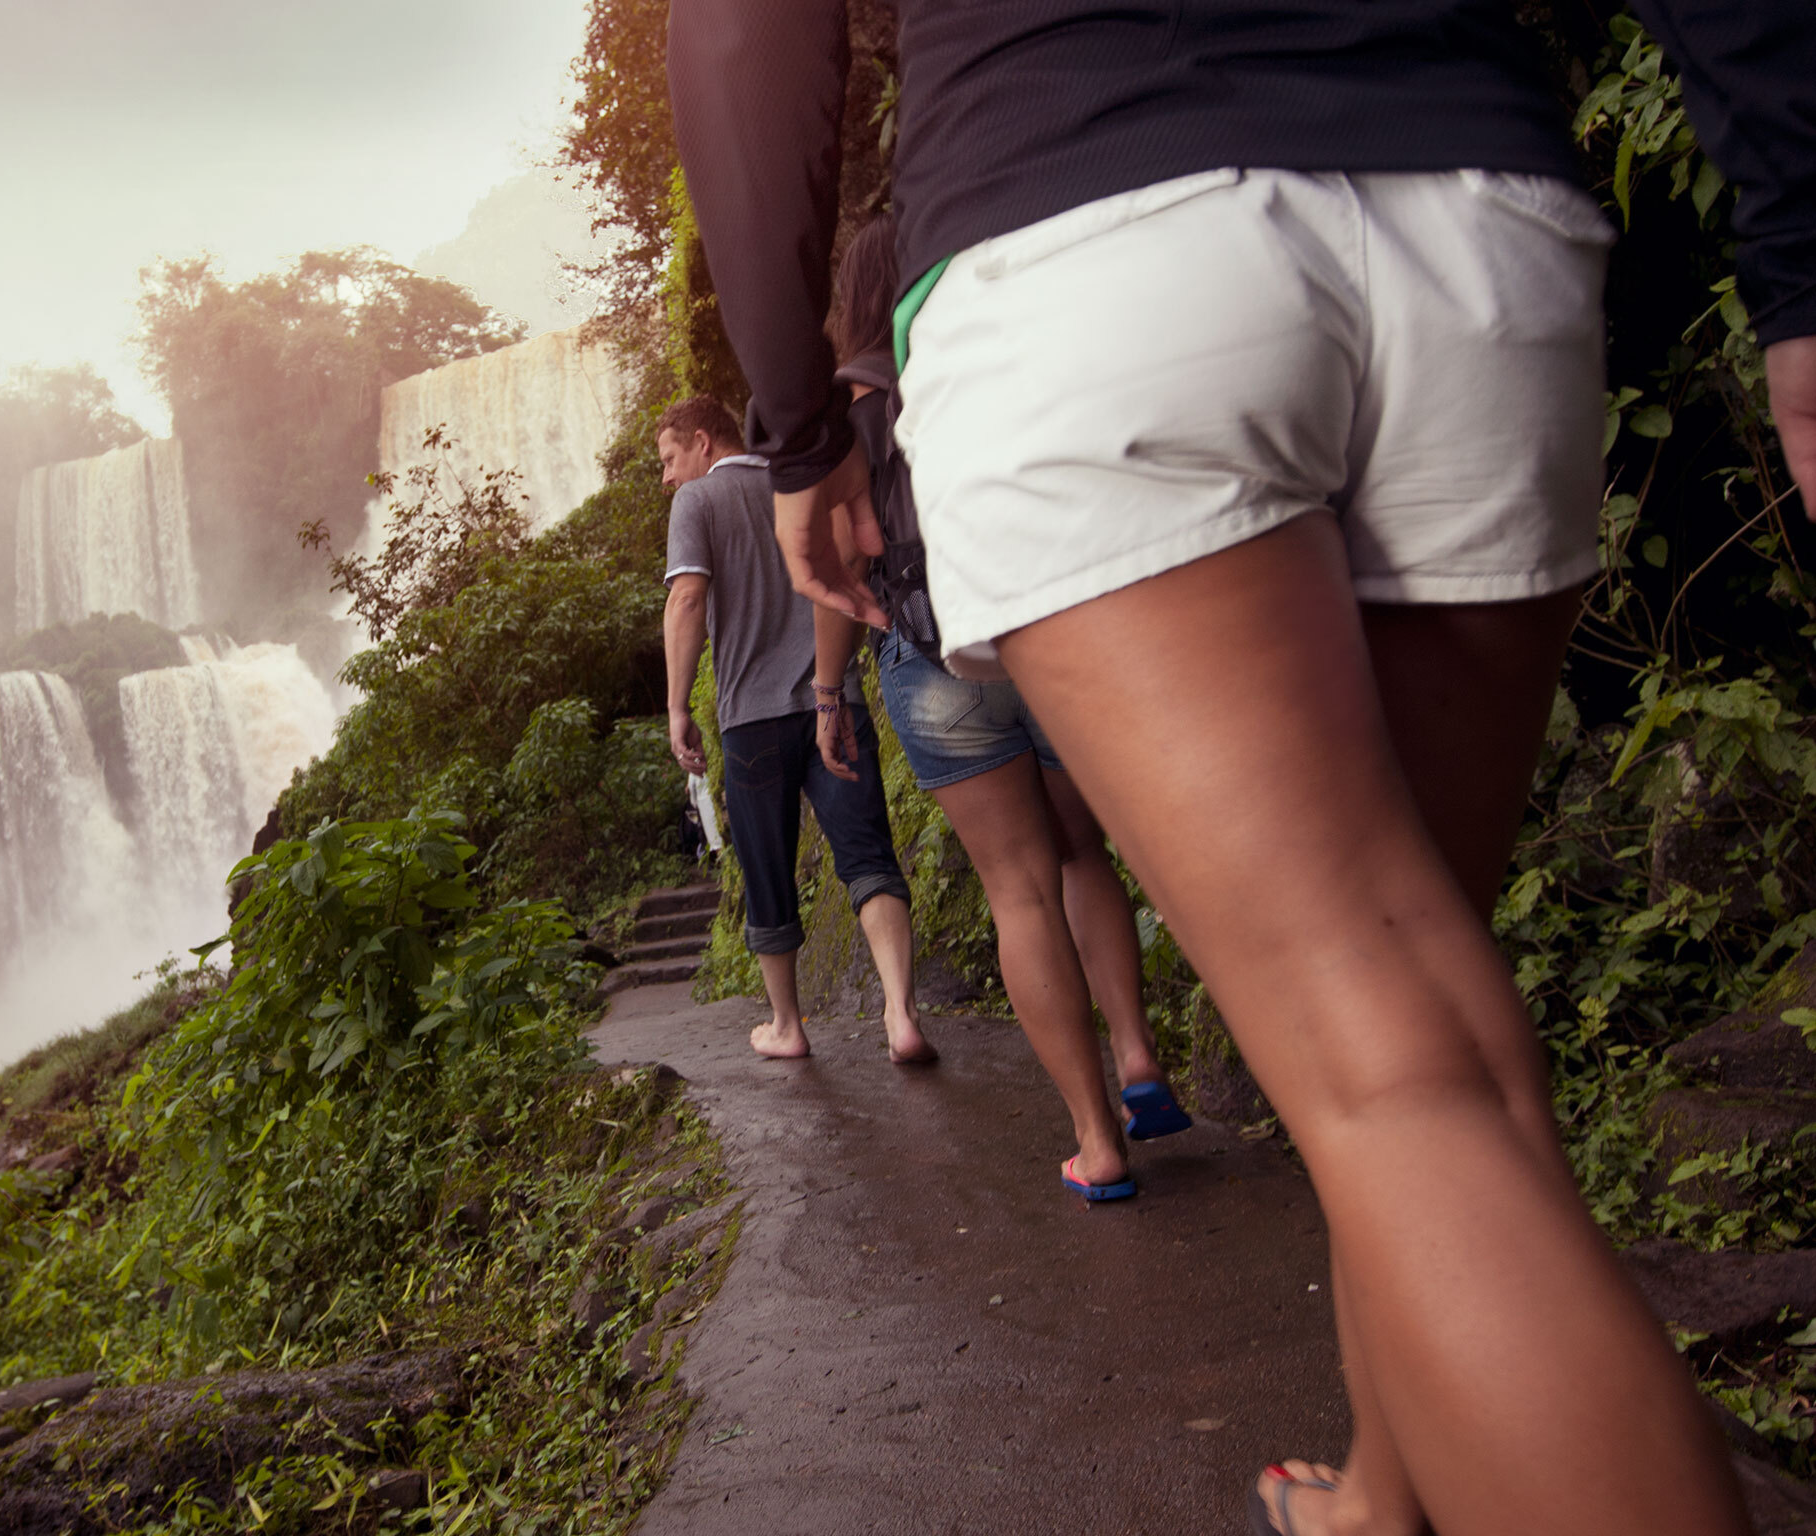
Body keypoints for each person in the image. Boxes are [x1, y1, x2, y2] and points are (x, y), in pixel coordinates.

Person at [667, 0, 1809, 1531]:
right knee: (1433, 1032)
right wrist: (1796, 257)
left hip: (1084, 243)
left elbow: (747, 32)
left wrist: (798, 432)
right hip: (1473, 218)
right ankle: (1384, 1496)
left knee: (1397, 1074)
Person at [813, 210, 1191, 1203]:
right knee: (1081, 856)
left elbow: (840, 569)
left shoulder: (843, 422)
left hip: (933, 656)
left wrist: (826, 688)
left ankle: (1094, 1143)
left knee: (1017, 890)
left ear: (845, 306)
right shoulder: (994, 367)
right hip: (1047, 635)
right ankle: (1141, 1060)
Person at [659, 395, 932, 1065]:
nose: (666, 477)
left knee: (767, 872)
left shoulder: (698, 504)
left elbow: (688, 597)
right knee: (868, 855)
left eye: (668, 460)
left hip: (752, 721)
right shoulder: (801, 482)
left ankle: (787, 1025)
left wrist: (676, 708)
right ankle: (900, 1015)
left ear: (703, 442)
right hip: (830, 702)